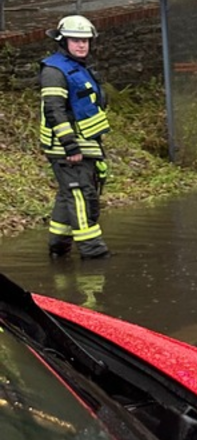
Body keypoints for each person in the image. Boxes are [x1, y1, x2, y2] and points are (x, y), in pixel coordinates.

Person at [40, 14, 112, 260]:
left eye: (85, 40)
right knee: (81, 195)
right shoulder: (54, 71)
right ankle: (93, 252)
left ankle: (58, 248)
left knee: (68, 194)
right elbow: (54, 111)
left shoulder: (77, 68)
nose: (82, 45)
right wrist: (70, 146)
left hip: (84, 144)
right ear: (63, 41)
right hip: (67, 148)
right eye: (75, 40)